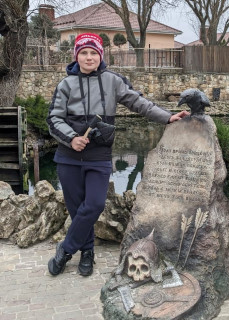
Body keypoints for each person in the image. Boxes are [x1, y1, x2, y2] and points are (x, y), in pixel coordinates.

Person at [46, 33, 189, 276]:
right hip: (68, 158)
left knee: (94, 205)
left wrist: (167, 116)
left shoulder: (113, 81)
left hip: (99, 157)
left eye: (93, 52)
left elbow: (138, 103)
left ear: (100, 55)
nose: (89, 57)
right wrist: (72, 138)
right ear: (76, 56)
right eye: (84, 52)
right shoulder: (65, 85)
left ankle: (66, 249)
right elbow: (53, 119)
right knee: (78, 209)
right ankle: (88, 252)